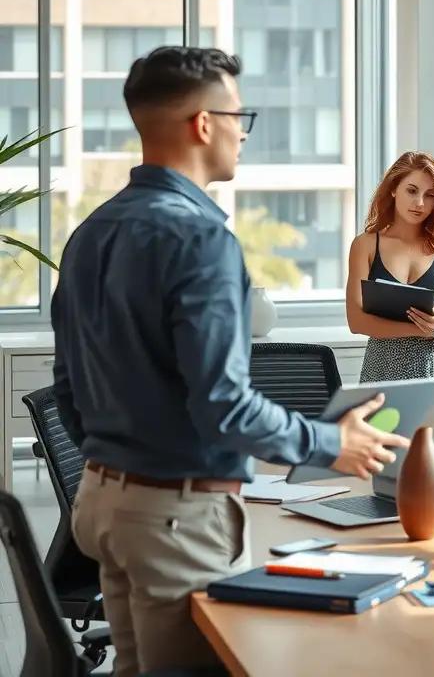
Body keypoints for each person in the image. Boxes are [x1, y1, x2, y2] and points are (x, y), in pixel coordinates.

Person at [51, 46, 408, 677]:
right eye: (239, 117)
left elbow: (69, 387)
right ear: (203, 124)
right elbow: (222, 404)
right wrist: (332, 442)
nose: (243, 134)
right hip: (174, 519)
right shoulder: (199, 238)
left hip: (104, 506)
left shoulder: (90, 233)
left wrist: (118, 469)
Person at [348, 151, 434, 446]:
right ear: (393, 189)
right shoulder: (366, 245)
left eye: (429, 195)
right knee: (379, 459)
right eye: (412, 191)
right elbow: (356, 321)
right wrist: (421, 329)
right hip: (383, 370)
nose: (419, 203)